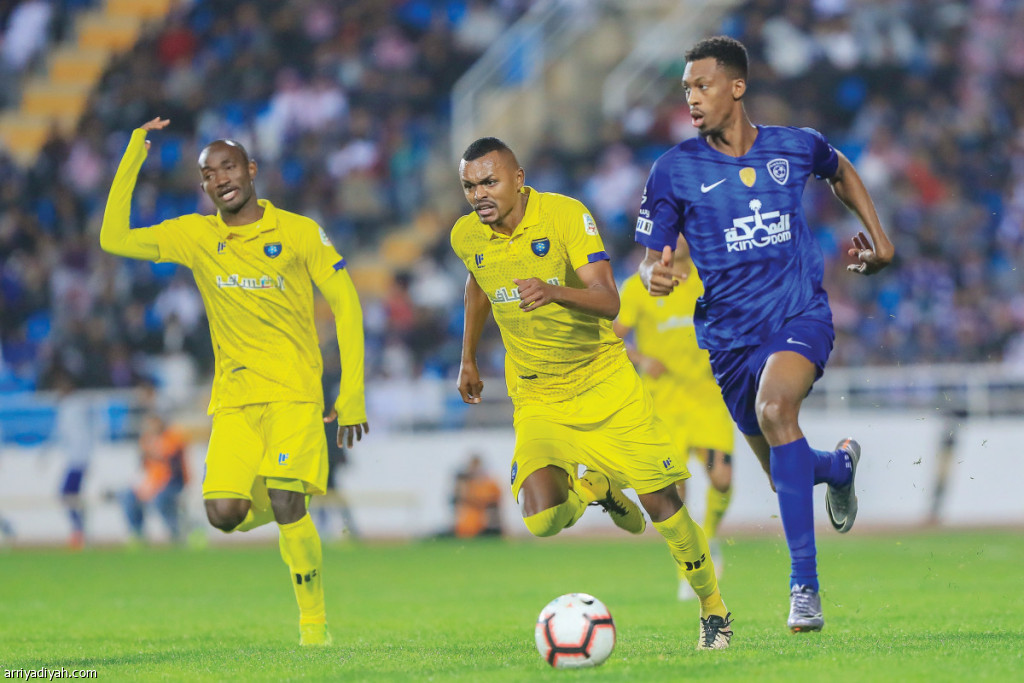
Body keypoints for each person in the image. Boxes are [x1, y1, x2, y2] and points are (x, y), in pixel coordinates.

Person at [635, 36, 895, 633]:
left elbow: (840, 169)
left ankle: (805, 589)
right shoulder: (673, 169)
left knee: (777, 409)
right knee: (785, 471)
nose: (691, 98)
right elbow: (652, 259)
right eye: (686, 89)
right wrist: (656, 274)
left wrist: (880, 240)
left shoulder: (793, 146)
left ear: (737, 87)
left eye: (702, 86)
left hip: (799, 315)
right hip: (729, 342)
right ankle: (839, 467)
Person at [451, 136, 733, 650]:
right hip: (538, 395)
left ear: (518, 178)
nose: (478, 195)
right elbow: (477, 283)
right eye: (469, 186)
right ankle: (594, 489)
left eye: (489, 182)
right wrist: (468, 357)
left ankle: (713, 609)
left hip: (604, 382)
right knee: (541, 518)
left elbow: (609, 301)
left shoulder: (565, 215)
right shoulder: (466, 234)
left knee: (663, 505)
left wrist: (553, 291)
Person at [99, 117, 369, 647]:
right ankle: (282, 493)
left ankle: (313, 626)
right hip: (234, 403)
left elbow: (346, 303)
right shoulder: (196, 236)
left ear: (251, 170)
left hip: (294, 396)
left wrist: (352, 392)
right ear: (203, 185)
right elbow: (113, 238)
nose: (220, 178)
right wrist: (133, 155)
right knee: (223, 515)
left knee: (288, 501)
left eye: (228, 166)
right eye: (208, 173)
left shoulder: (298, 231)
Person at [613, 237, 734, 601]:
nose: (676, 237)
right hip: (663, 404)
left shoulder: (710, 278)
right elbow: (611, 338)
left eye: (682, 228)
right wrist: (641, 359)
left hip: (707, 398)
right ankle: (689, 565)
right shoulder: (640, 286)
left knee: (722, 479)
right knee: (675, 491)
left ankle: (709, 537)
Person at [118, 412, 190, 544]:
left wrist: (154, 487)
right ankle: (137, 533)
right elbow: (143, 468)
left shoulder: (173, 439)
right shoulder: (146, 441)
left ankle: (175, 532)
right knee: (128, 496)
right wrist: (143, 487)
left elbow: (175, 470)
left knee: (161, 499)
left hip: (173, 483)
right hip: (153, 484)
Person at [450, 453, 503, 539]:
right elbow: (457, 501)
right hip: (468, 522)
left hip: (485, 520)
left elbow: (495, 501)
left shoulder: (489, 483)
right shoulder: (465, 483)